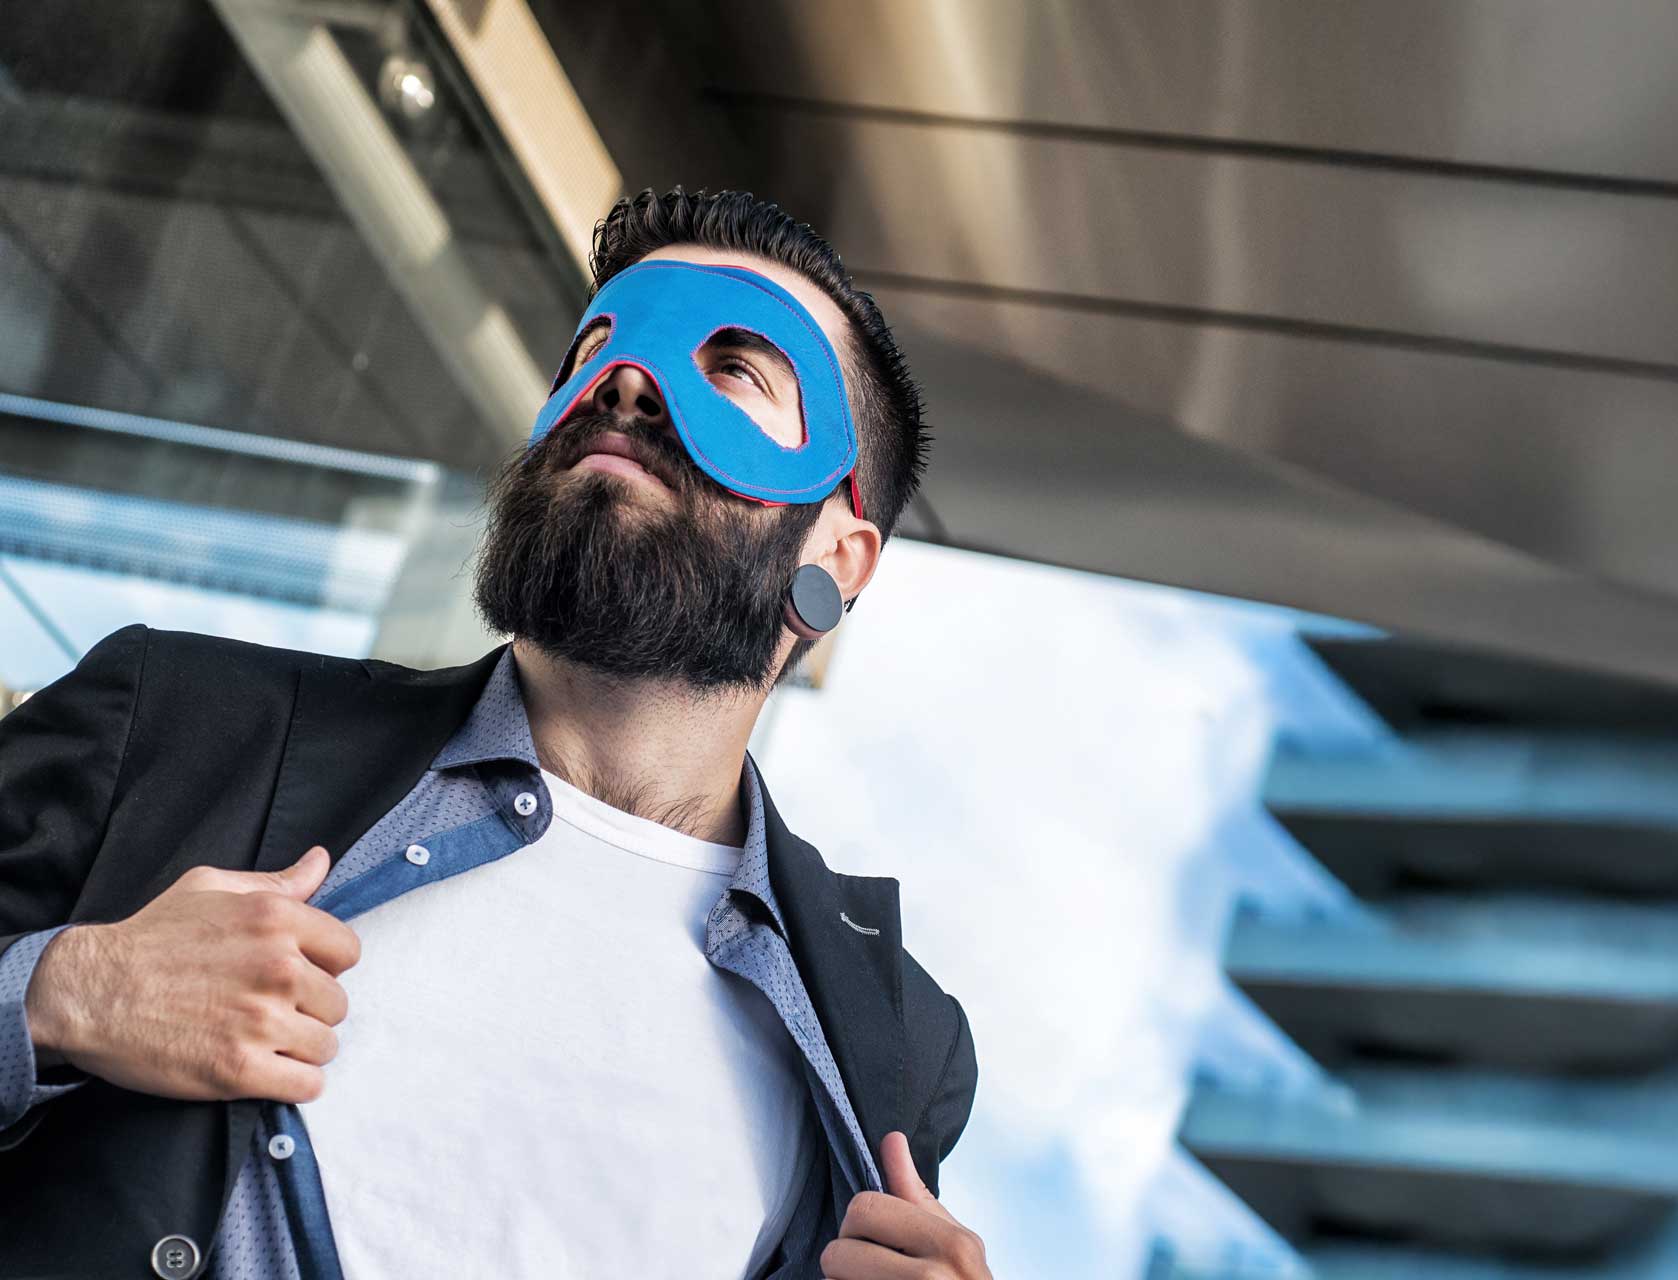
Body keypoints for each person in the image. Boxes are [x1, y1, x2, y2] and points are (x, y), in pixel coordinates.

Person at [0, 188, 991, 1280]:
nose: (627, 379)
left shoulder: (898, 1046)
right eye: (599, 346)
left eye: (735, 369)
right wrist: (60, 997)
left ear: (839, 561)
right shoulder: (175, 720)